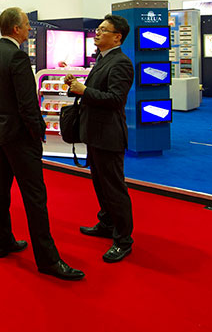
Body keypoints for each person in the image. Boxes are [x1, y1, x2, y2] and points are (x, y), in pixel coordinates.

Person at [0, 7, 83, 281]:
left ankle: (3, 242)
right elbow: (27, 103)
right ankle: (48, 260)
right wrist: (38, 132)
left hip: (0, 131)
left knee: (0, 192)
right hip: (19, 135)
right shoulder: (16, 56)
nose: (30, 29)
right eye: (27, 25)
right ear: (16, 28)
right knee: (35, 197)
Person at [64, 14, 135, 264]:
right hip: (95, 133)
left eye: (104, 30)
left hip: (109, 134)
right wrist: (77, 86)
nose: (98, 32)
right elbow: (96, 92)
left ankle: (123, 240)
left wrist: (84, 90)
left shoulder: (121, 63)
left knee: (114, 188)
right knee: (100, 184)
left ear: (117, 37)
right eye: (98, 29)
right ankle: (106, 223)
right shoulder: (103, 59)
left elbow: (115, 99)